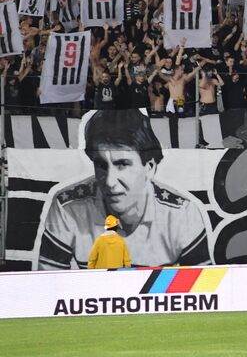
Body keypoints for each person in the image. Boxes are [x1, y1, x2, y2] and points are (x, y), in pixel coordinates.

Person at [36, 111, 211, 270]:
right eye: (101, 165)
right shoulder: (68, 207)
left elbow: (203, 289)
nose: (110, 182)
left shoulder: (183, 214)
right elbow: (49, 288)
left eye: (122, 164)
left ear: (149, 167)